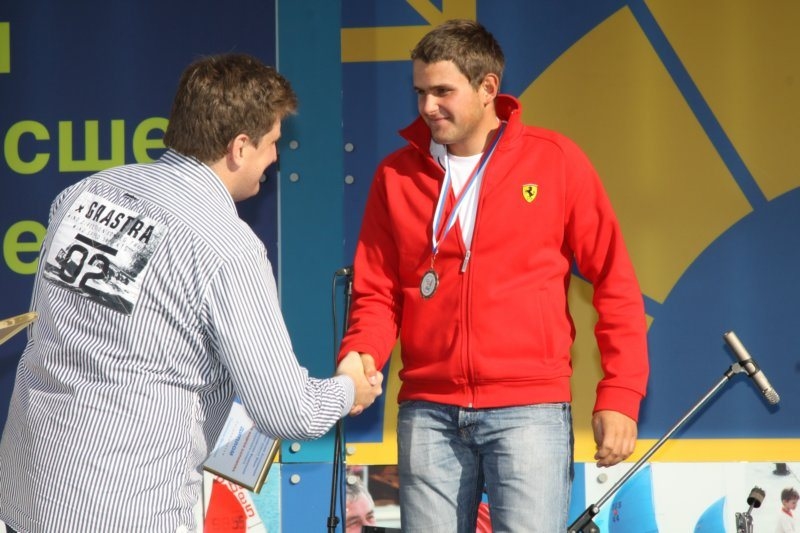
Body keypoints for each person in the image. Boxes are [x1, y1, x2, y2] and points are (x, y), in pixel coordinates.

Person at [0, 53, 383, 533]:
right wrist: (350, 389)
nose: (275, 157)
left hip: (27, 493)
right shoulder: (227, 246)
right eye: (272, 143)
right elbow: (289, 412)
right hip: (128, 509)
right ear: (239, 147)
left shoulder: (84, 193)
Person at [338, 19, 649, 532]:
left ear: (488, 87)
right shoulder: (395, 175)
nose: (427, 106)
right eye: (419, 92)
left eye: (443, 91)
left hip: (529, 408)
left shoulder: (555, 161)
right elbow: (378, 293)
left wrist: (621, 393)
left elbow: (614, 281)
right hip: (428, 410)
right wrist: (361, 357)